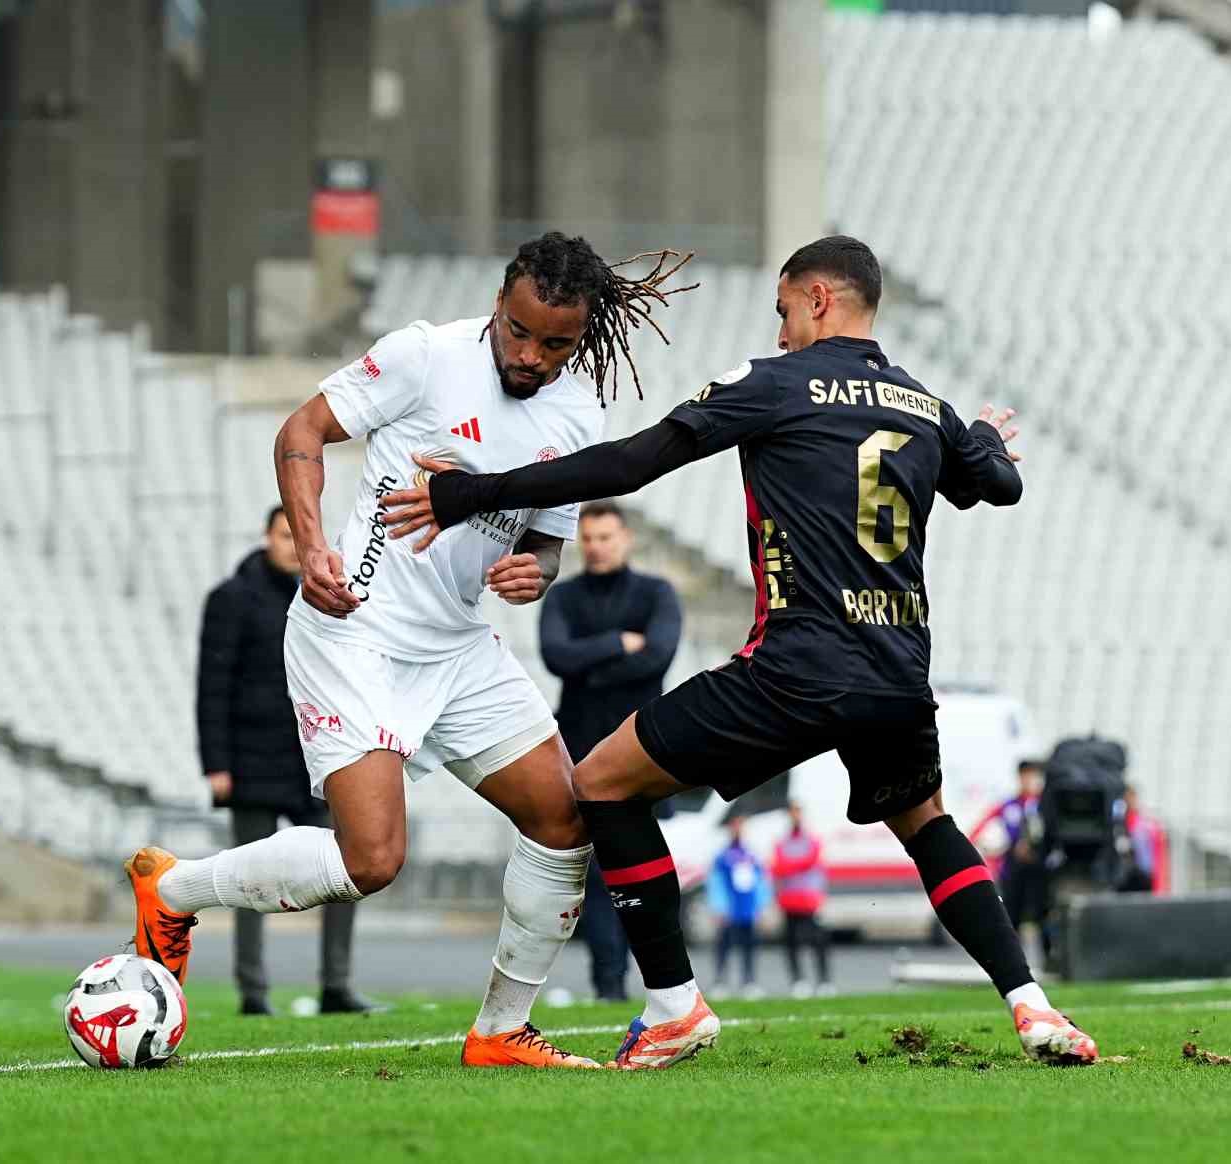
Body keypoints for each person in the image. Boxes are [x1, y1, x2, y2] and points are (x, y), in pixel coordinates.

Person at [382, 234, 1099, 1068]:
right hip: (898, 673)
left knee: (604, 783)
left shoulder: (776, 384)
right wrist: (976, 438)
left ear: (820, 299)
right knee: (927, 823)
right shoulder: (922, 404)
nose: (783, 328)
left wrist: (471, 491)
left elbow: (631, 462)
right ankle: (1035, 1008)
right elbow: (998, 485)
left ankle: (674, 1006)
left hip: (797, 667)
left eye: (786, 309)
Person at [124, 232, 695, 1069]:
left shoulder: (579, 413)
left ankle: (500, 1031)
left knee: (565, 819)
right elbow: (303, 430)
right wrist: (314, 546)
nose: (532, 355)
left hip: (460, 645)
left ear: (583, 336)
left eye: (555, 343)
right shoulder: (425, 356)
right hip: (356, 628)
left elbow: (546, 543)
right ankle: (171, 891)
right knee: (374, 859)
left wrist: (532, 573)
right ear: (500, 301)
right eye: (519, 331)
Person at [198, 506, 369, 1016]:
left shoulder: (325, 596)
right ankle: (253, 992)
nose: (293, 547)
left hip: (314, 758)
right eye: (283, 535)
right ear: (266, 537)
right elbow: (212, 685)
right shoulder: (231, 598)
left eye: (300, 538)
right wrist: (216, 764)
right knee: (249, 879)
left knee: (347, 868)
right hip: (251, 761)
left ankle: (335, 984)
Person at [538, 499, 682, 1001]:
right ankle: (609, 982)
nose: (598, 547)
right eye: (590, 539)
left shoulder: (657, 593)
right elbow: (556, 656)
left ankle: (655, 981)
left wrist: (591, 665)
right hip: (578, 749)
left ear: (625, 539)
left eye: (606, 537)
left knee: (638, 866)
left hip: (642, 749)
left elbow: (659, 656)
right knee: (597, 873)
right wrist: (620, 643)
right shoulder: (563, 598)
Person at [970, 760, 1050, 958]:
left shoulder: (1046, 806)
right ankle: (1015, 961)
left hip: (1040, 869)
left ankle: (1049, 958)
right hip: (1013, 869)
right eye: (1026, 775)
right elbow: (980, 829)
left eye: (1033, 775)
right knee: (1012, 916)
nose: (1029, 780)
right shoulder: (1009, 806)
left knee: (1043, 914)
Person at [771, 802, 831, 997]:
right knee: (791, 942)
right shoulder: (783, 841)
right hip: (789, 899)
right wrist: (794, 866)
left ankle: (824, 980)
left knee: (817, 940)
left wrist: (791, 866)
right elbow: (778, 865)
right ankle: (798, 980)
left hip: (809, 899)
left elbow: (811, 859)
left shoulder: (810, 840)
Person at [707, 817, 768, 997]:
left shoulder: (751, 855)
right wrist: (718, 907)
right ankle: (720, 982)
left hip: (747, 910)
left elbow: (760, 882)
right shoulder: (722, 856)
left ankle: (749, 981)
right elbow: (715, 882)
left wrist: (760, 906)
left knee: (749, 946)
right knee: (724, 946)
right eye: (734, 826)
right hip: (728, 910)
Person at [1120, 784, 1168, 895]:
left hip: (1145, 875)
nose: (1128, 801)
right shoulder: (1123, 822)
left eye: (1131, 797)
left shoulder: (1145, 823)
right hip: (1131, 874)